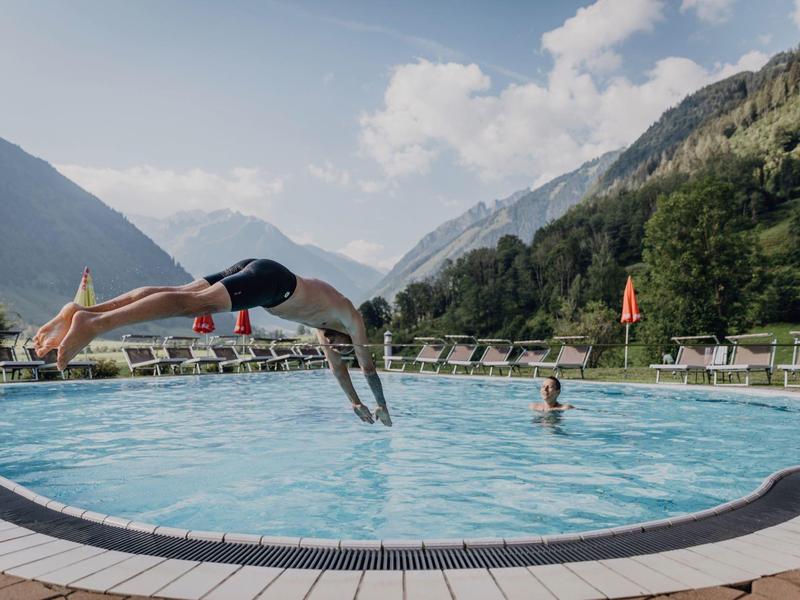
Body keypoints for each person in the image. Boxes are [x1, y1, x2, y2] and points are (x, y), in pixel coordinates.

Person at [34, 258, 392, 426]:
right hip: (274, 282)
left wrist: (355, 404)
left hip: (265, 274)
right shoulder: (350, 315)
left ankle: (84, 312)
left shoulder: (324, 330)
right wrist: (382, 407)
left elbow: (339, 370)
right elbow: (367, 365)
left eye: (341, 350)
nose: (339, 347)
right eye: (344, 345)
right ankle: (97, 324)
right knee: (196, 305)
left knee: (176, 292)